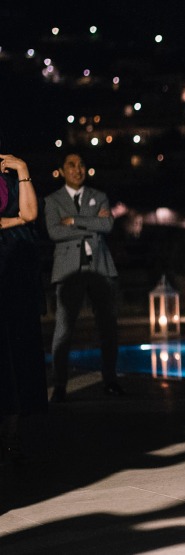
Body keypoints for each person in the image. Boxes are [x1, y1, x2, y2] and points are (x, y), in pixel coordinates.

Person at [45, 152, 123, 402]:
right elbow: (55, 232)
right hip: (69, 272)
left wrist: (75, 221)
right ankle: (59, 385)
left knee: (108, 327)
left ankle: (110, 380)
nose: (77, 169)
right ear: (62, 170)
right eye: (72, 165)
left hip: (100, 268)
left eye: (81, 165)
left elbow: (108, 225)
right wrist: (91, 224)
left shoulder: (99, 196)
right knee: (64, 330)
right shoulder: (52, 200)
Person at [0, 152, 46, 463]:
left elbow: (31, 215)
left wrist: (24, 169)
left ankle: (12, 433)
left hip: (15, 271)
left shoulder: (10, 177)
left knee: (14, 353)